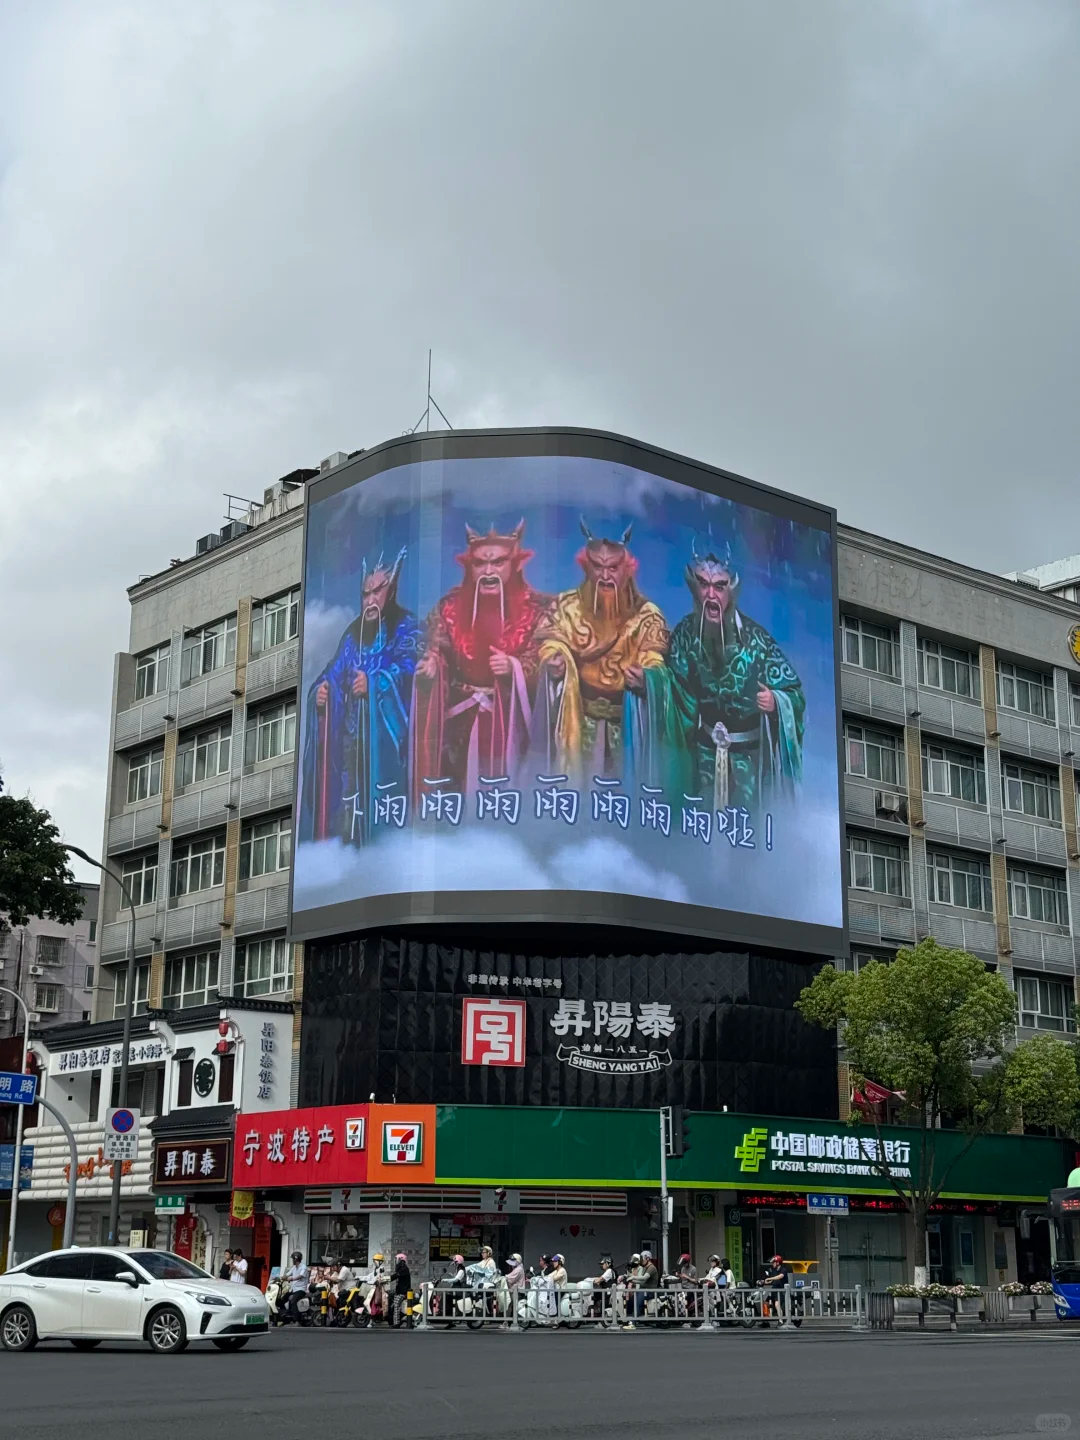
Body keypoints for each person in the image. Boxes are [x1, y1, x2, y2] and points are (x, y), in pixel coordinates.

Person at [669, 537, 804, 813]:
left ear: (731, 590)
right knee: (699, 822)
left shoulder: (757, 641)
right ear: (694, 587)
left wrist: (776, 701)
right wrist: (649, 680)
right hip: (703, 756)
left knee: (747, 827)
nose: (711, 595)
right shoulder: (684, 635)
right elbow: (674, 690)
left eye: (719, 586)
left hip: (749, 761)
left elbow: (794, 694)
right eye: (703, 584)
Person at [300, 546, 420, 845]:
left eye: (377, 592)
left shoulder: (407, 628)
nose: (370, 600)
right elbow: (333, 672)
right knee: (348, 822)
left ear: (391, 591)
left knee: (387, 824)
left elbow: (413, 670)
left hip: (389, 750)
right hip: (351, 751)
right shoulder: (353, 635)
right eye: (365, 594)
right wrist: (321, 691)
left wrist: (377, 683)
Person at [762, 1253, 790, 1326]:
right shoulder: (774, 1270)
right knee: (765, 1303)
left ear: (778, 1263)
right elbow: (772, 1280)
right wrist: (765, 1281)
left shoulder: (783, 1270)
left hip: (781, 1290)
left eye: (774, 1262)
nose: (772, 1264)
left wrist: (770, 1278)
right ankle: (765, 1321)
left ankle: (780, 1320)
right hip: (774, 1289)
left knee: (777, 1304)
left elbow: (780, 1277)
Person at [283, 1249, 308, 1322]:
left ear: (295, 1259)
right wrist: (280, 1278)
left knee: (293, 1301)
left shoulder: (303, 1267)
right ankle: (287, 1315)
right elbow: (287, 1274)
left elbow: (301, 1276)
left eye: (293, 1259)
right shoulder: (294, 1267)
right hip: (293, 1289)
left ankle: (297, 1320)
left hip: (301, 1289)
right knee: (283, 1299)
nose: (292, 1261)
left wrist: (292, 1278)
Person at [503, 1253, 525, 1329]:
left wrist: (504, 1277)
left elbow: (510, 1279)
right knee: (512, 1306)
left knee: (511, 1306)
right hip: (515, 1291)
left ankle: (507, 1322)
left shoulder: (518, 1269)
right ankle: (508, 1322)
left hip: (517, 1292)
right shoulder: (517, 1268)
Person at [391, 1252, 412, 1328]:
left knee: (396, 1305)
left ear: (402, 1261)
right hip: (399, 1291)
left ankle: (396, 1323)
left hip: (403, 1292)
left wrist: (386, 1279)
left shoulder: (404, 1269)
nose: (397, 1262)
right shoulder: (401, 1269)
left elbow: (395, 1276)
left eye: (398, 1260)